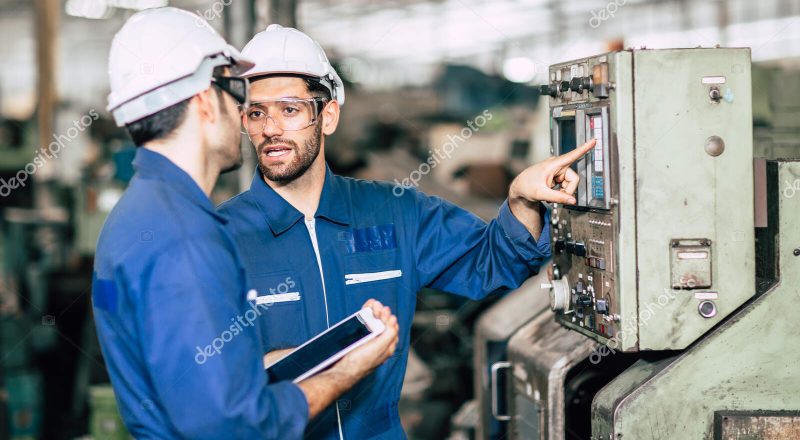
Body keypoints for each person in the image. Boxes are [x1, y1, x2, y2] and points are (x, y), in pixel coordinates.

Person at [218, 24, 595, 439]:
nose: (271, 128)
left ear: (327, 116)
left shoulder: (395, 211)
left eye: (289, 109)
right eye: (256, 112)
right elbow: (206, 382)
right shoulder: (220, 238)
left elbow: (495, 260)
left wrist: (522, 200)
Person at [92, 9, 398, 439]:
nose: (244, 111)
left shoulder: (135, 217)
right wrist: (348, 370)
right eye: (234, 90)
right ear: (203, 100)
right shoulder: (186, 237)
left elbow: (188, 377)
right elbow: (233, 425)